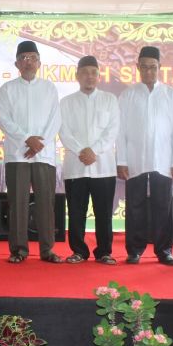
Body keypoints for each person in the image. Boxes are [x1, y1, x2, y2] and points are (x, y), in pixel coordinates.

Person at [116, 46, 173, 265]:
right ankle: (134, 250)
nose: (148, 71)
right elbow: (120, 131)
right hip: (135, 158)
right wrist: (121, 160)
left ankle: (164, 250)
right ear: (138, 67)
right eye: (144, 67)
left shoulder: (171, 94)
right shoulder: (128, 95)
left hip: (163, 159)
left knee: (163, 206)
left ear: (159, 68)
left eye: (153, 67)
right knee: (134, 205)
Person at [0, 40, 62, 263]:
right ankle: (19, 250)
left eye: (33, 58)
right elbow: (4, 120)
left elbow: (55, 120)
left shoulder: (49, 88)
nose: (28, 62)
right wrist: (27, 139)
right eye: (23, 58)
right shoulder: (7, 89)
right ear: (17, 63)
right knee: (18, 203)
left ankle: (47, 250)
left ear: (39, 63)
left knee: (46, 203)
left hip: (43, 155)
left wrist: (38, 144)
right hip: (17, 154)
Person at [59, 56, 120, 265]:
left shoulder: (110, 100)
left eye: (94, 72)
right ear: (77, 75)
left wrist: (94, 151)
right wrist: (81, 151)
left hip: (103, 167)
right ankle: (78, 251)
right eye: (85, 72)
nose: (89, 76)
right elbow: (63, 131)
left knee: (104, 213)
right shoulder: (66, 102)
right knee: (76, 212)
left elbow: (112, 131)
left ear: (99, 76)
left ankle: (104, 252)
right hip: (75, 166)